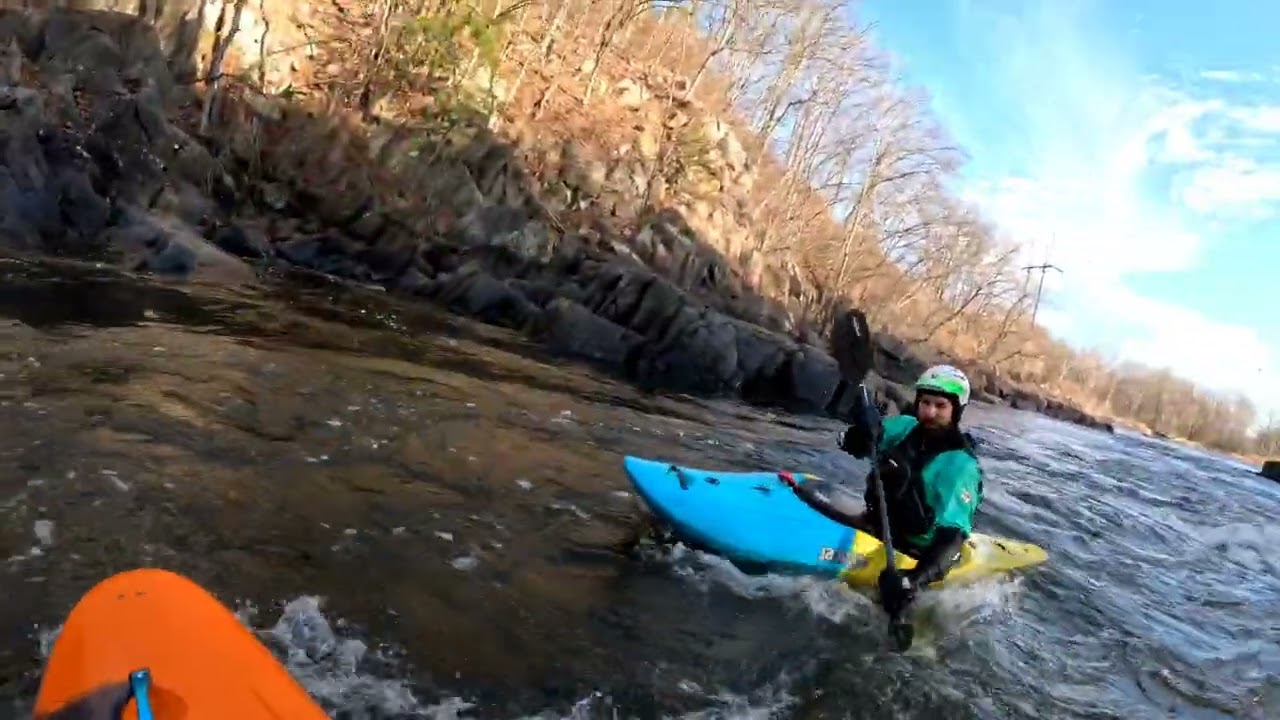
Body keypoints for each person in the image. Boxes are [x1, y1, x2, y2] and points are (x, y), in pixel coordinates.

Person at [837, 364, 984, 618]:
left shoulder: (961, 466)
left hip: (914, 550)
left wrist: (912, 581)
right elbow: (857, 444)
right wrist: (863, 429)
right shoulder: (905, 427)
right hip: (877, 525)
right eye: (925, 402)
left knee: (902, 474)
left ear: (956, 410)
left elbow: (952, 538)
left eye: (940, 406)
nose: (929, 412)